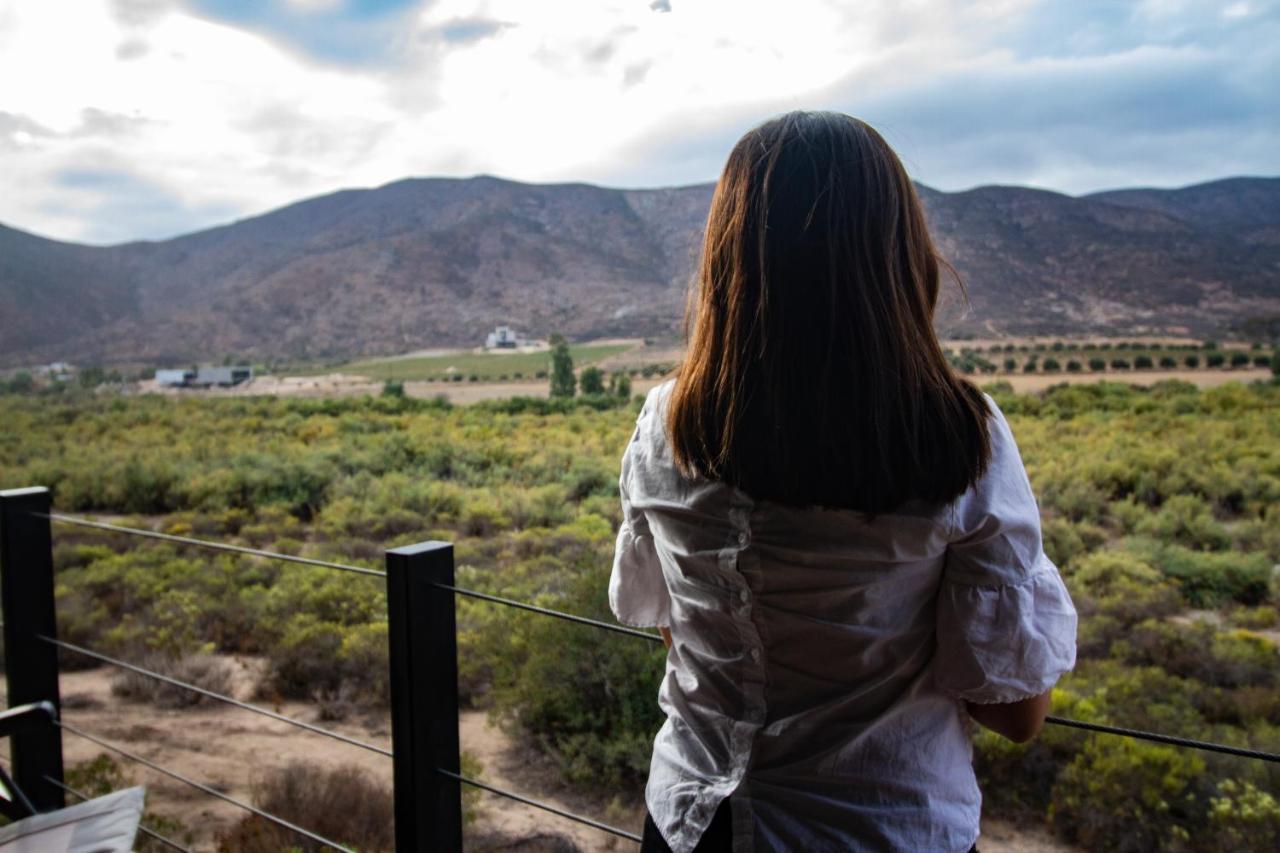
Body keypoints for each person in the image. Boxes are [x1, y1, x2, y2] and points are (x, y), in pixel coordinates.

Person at [608, 111, 1077, 853]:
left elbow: (672, 623)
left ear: (730, 259)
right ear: (896, 255)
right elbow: (1016, 713)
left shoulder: (668, 421)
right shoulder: (961, 437)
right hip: (883, 830)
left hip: (697, 826)